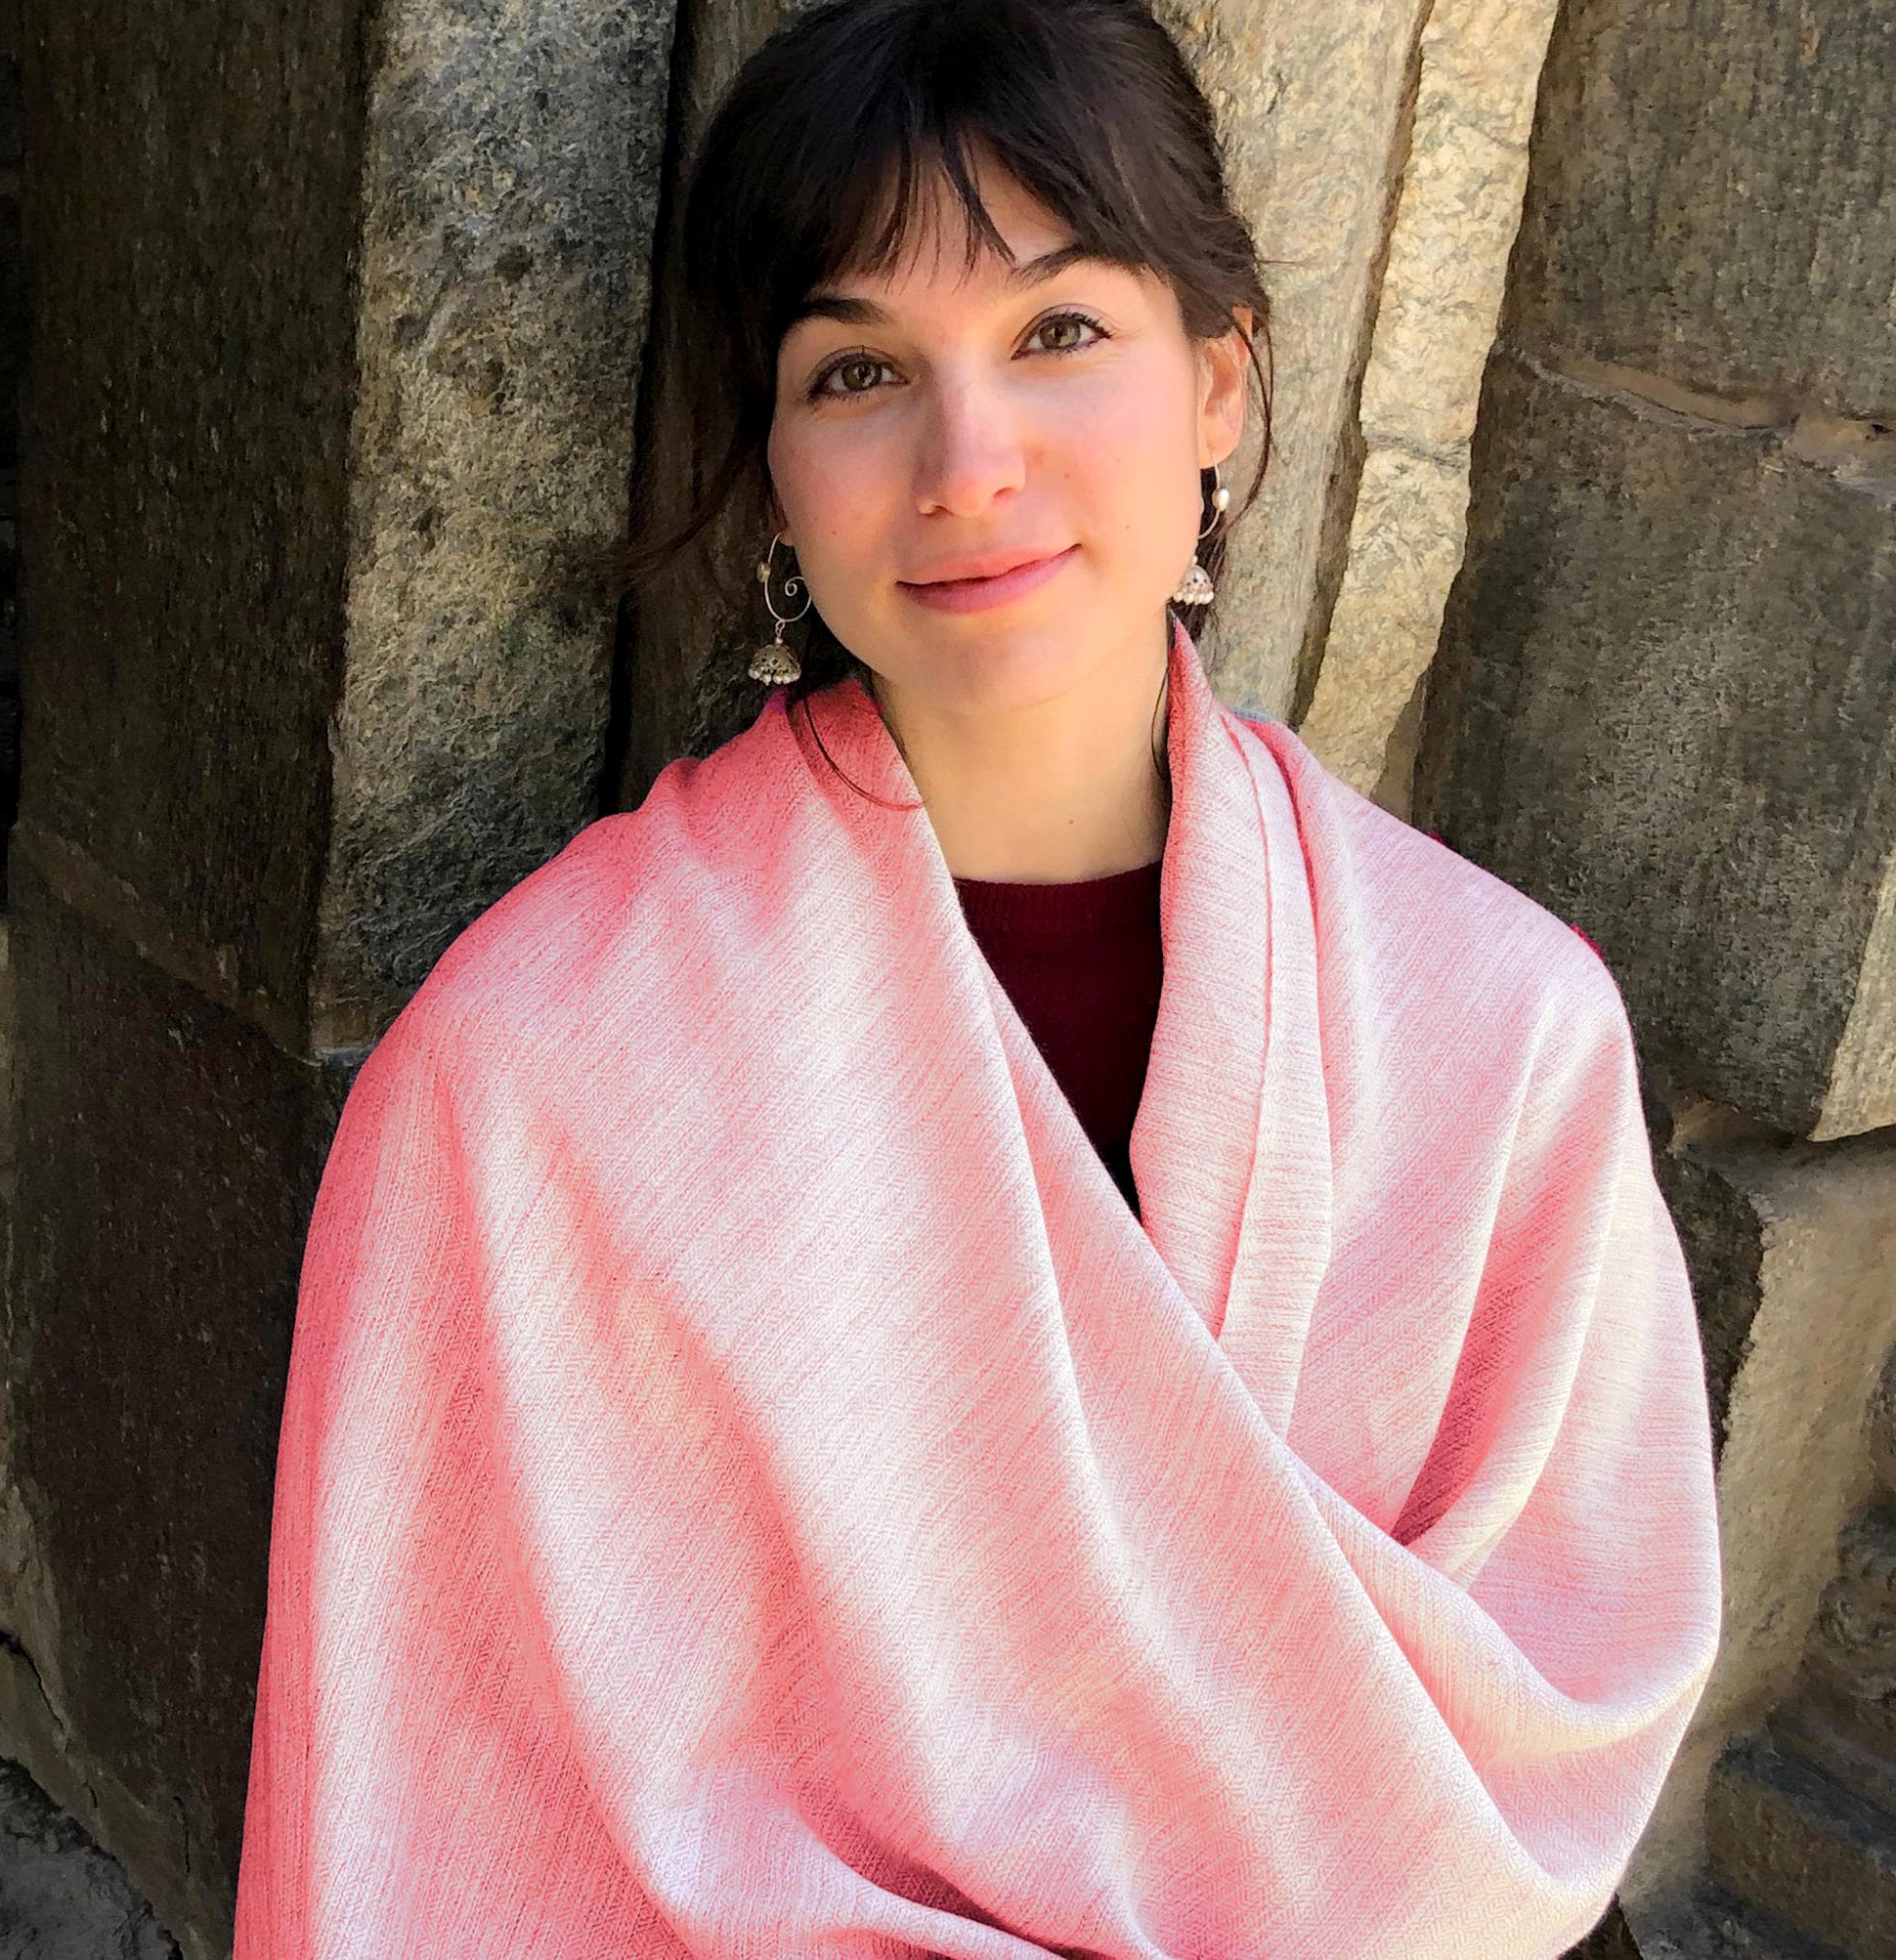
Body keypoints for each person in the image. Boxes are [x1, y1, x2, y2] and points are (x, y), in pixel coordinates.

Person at [231, 1, 1724, 1956]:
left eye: (1060, 332)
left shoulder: (1509, 1033)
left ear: (1220, 379)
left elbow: (1555, 1729)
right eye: (860, 367)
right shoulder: (527, 1087)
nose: (967, 457)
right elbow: (434, 1838)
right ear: (775, 470)